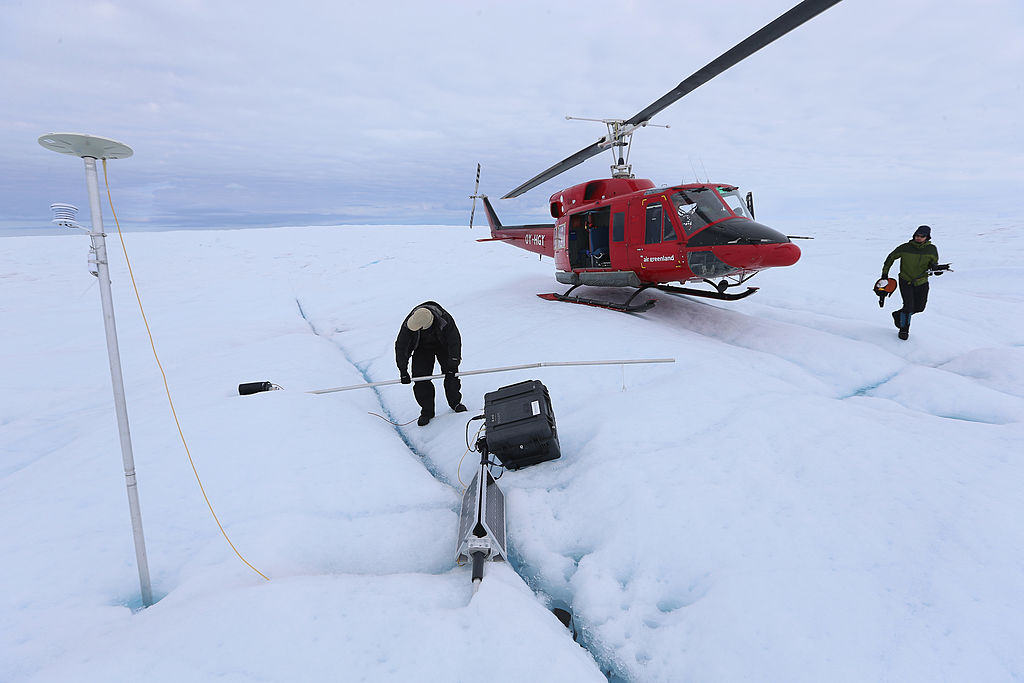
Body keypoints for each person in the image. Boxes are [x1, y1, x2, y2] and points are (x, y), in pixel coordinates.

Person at [395, 302, 467, 426]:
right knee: (420, 378)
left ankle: (455, 402)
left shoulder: (444, 319)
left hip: (442, 345)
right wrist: (403, 370)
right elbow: (401, 347)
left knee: (451, 375)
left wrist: (453, 363)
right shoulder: (409, 324)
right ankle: (427, 411)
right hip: (421, 348)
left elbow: (454, 341)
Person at [881, 225, 939, 340]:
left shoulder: (932, 249)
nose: (918, 238)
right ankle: (904, 330)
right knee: (908, 306)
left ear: (927, 237)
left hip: (922, 282)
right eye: (917, 235)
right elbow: (890, 258)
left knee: (919, 307)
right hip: (905, 280)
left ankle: (898, 315)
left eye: (921, 236)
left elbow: (933, 265)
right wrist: (884, 274)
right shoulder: (905, 247)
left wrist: (936, 270)